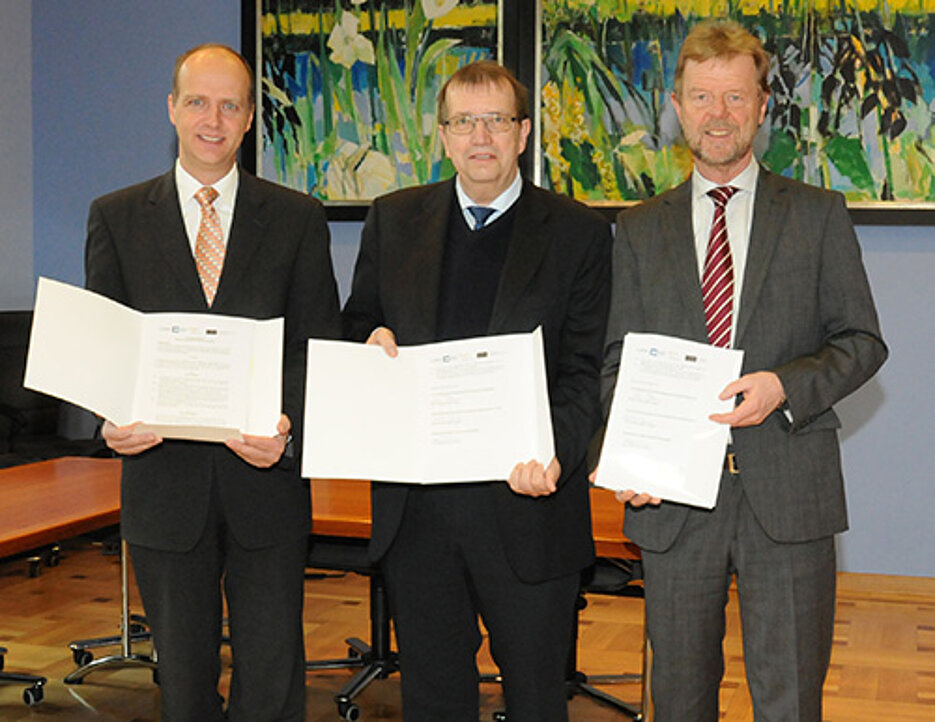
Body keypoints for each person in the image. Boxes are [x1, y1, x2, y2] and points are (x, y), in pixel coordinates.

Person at [598, 20, 888, 722]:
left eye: (733, 97)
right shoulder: (638, 228)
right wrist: (628, 460)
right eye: (701, 98)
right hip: (673, 506)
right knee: (680, 697)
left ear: (761, 105)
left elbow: (861, 341)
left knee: (788, 697)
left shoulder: (817, 215)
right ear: (676, 108)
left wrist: (783, 385)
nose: (717, 115)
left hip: (787, 497)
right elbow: (616, 363)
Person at [342, 60, 611, 722]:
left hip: (528, 506)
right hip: (419, 513)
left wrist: (555, 451)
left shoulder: (577, 232)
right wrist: (368, 338)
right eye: (464, 121)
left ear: (522, 134)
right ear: (442, 135)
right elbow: (355, 322)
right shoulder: (392, 218)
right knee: (432, 696)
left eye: (495, 120)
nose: (480, 137)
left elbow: (587, 368)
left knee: (537, 696)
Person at [85, 44, 341, 721]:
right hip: (163, 489)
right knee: (185, 686)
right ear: (171, 109)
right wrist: (107, 418)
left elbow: (316, 347)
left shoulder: (295, 217)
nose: (212, 119)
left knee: (272, 679)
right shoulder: (115, 217)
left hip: (266, 484)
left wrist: (287, 425)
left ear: (250, 117)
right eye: (197, 101)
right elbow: (104, 350)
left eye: (230, 105)